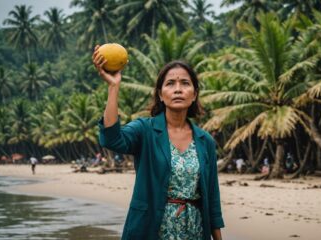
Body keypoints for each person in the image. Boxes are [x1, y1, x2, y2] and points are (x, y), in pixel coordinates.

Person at [93, 47, 224, 240]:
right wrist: (113, 87)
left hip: (194, 231)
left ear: (194, 94)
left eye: (185, 83)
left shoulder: (205, 141)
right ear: (161, 95)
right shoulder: (145, 130)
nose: (178, 89)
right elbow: (111, 139)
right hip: (151, 229)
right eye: (170, 84)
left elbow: (212, 198)